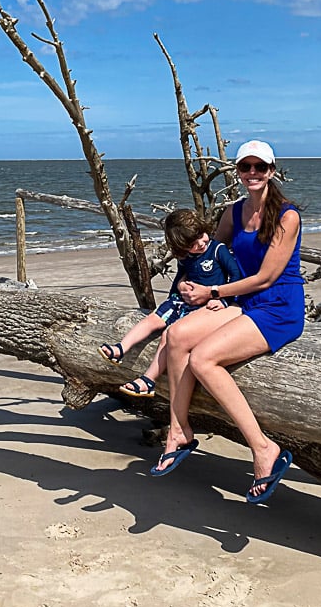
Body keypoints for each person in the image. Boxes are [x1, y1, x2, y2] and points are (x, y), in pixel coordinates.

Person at [150, 140, 304, 505]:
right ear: (237, 172)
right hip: (243, 301)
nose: (252, 173)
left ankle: (264, 449)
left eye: (259, 167)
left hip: (278, 307)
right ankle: (179, 431)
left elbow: (266, 278)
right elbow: (209, 258)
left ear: (271, 170)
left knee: (203, 358)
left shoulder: (287, 215)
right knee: (177, 335)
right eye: (245, 167)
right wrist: (190, 284)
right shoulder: (233, 214)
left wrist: (214, 294)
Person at [98, 208, 242, 397]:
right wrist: (177, 291)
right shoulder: (186, 256)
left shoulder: (217, 250)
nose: (200, 243)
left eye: (201, 235)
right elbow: (179, 279)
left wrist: (224, 301)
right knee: (152, 319)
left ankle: (148, 380)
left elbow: (236, 276)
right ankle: (120, 349)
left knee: (168, 335)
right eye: (192, 244)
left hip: (205, 306)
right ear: (182, 247)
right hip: (180, 301)